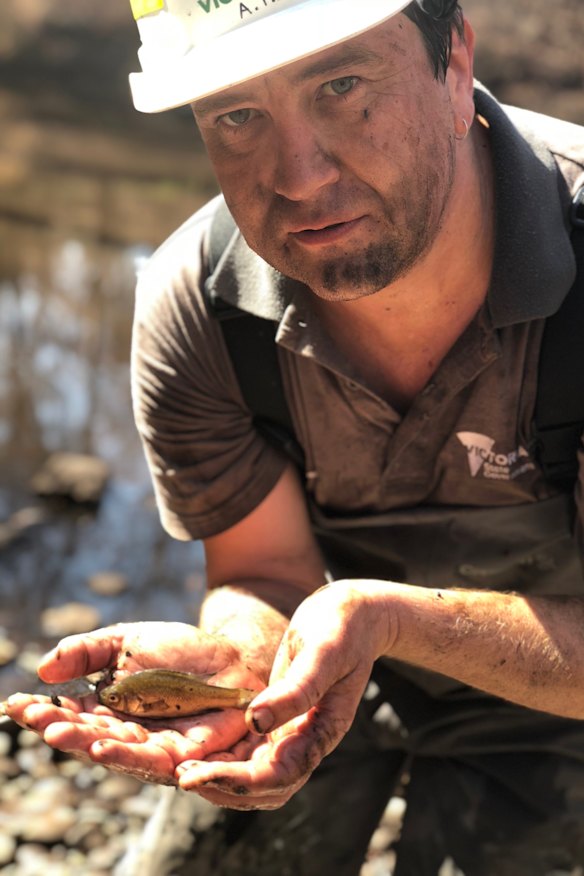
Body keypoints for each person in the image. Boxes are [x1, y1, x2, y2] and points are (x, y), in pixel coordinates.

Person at [6, 1, 584, 873]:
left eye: (344, 85)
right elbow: (266, 572)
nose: (299, 177)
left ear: (455, 57)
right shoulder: (196, 303)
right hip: (315, 672)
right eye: (237, 116)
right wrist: (238, 658)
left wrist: (382, 617)